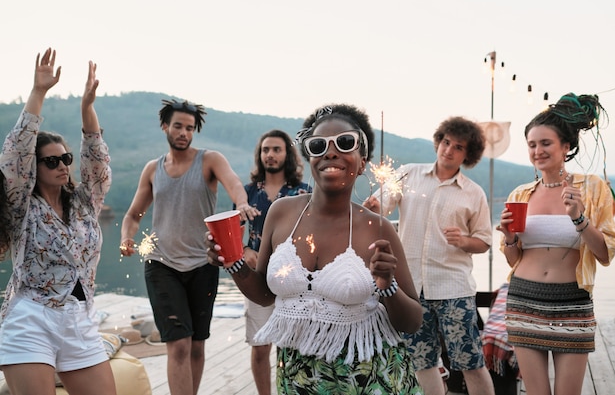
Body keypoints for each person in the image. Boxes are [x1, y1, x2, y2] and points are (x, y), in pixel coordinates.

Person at [207, 104, 424, 394]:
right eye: (319, 145)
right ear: (310, 158)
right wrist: (232, 261)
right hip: (298, 378)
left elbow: (412, 321)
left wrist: (387, 286)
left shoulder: (378, 228)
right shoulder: (281, 213)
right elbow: (263, 294)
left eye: (345, 143)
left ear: (362, 163)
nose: (330, 152)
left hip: (368, 380)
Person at [119, 99, 259, 395]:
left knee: (196, 345)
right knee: (179, 344)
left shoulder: (210, 160)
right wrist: (126, 238)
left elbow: (233, 182)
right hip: (162, 265)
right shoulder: (152, 169)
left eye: (190, 128)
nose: (184, 132)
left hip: (203, 264)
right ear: (165, 127)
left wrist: (242, 201)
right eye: (178, 126)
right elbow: (133, 215)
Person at [0, 48, 116, 394]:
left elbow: (96, 161)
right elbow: (16, 153)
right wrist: (38, 93)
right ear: (33, 169)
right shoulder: (21, 204)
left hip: (80, 318)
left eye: (65, 158)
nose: (62, 165)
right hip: (31, 319)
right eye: (51, 161)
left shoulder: (84, 203)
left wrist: (87, 109)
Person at [497, 93, 615, 395]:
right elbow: (514, 259)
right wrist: (510, 236)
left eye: (545, 143)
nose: (537, 151)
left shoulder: (592, 188)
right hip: (524, 300)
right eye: (531, 145)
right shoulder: (520, 193)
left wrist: (579, 218)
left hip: (572, 302)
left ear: (565, 146)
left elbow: (605, 253)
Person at [364, 116, 495, 395]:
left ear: (467, 155)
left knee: (470, 361)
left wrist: (463, 240)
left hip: (454, 289)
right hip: (411, 288)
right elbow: (380, 209)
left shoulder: (474, 194)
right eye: (446, 142)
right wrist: (373, 206)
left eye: (458, 147)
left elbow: (484, 242)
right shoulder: (409, 173)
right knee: (422, 362)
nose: (448, 150)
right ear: (438, 141)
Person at [239, 129, 311, 395]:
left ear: (287, 155)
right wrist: (245, 248)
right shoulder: (247, 192)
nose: (270, 154)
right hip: (257, 277)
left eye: (276, 149)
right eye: (265, 150)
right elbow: (233, 233)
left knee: (293, 346)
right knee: (260, 346)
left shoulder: (303, 192)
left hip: (295, 280)